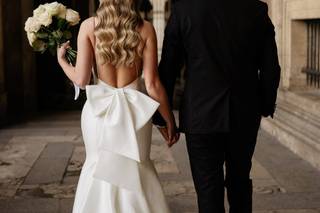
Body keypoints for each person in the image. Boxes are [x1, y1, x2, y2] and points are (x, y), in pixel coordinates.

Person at [153, 0, 281, 212]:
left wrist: (162, 118)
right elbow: (271, 68)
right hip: (244, 114)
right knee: (239, 183)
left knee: (207, 192)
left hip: (200, 116)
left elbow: (168, 67)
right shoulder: (255, 9)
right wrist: (265, 105)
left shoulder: (184, 9)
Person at [57, 0, 179, 212]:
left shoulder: (89, 26)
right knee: (139, 167)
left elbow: (81, 80)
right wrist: (168, 119)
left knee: (96, 166)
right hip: (135, 114)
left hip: (98, 112)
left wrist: (62, 62)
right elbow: (152, 84)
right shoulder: (146, 28)